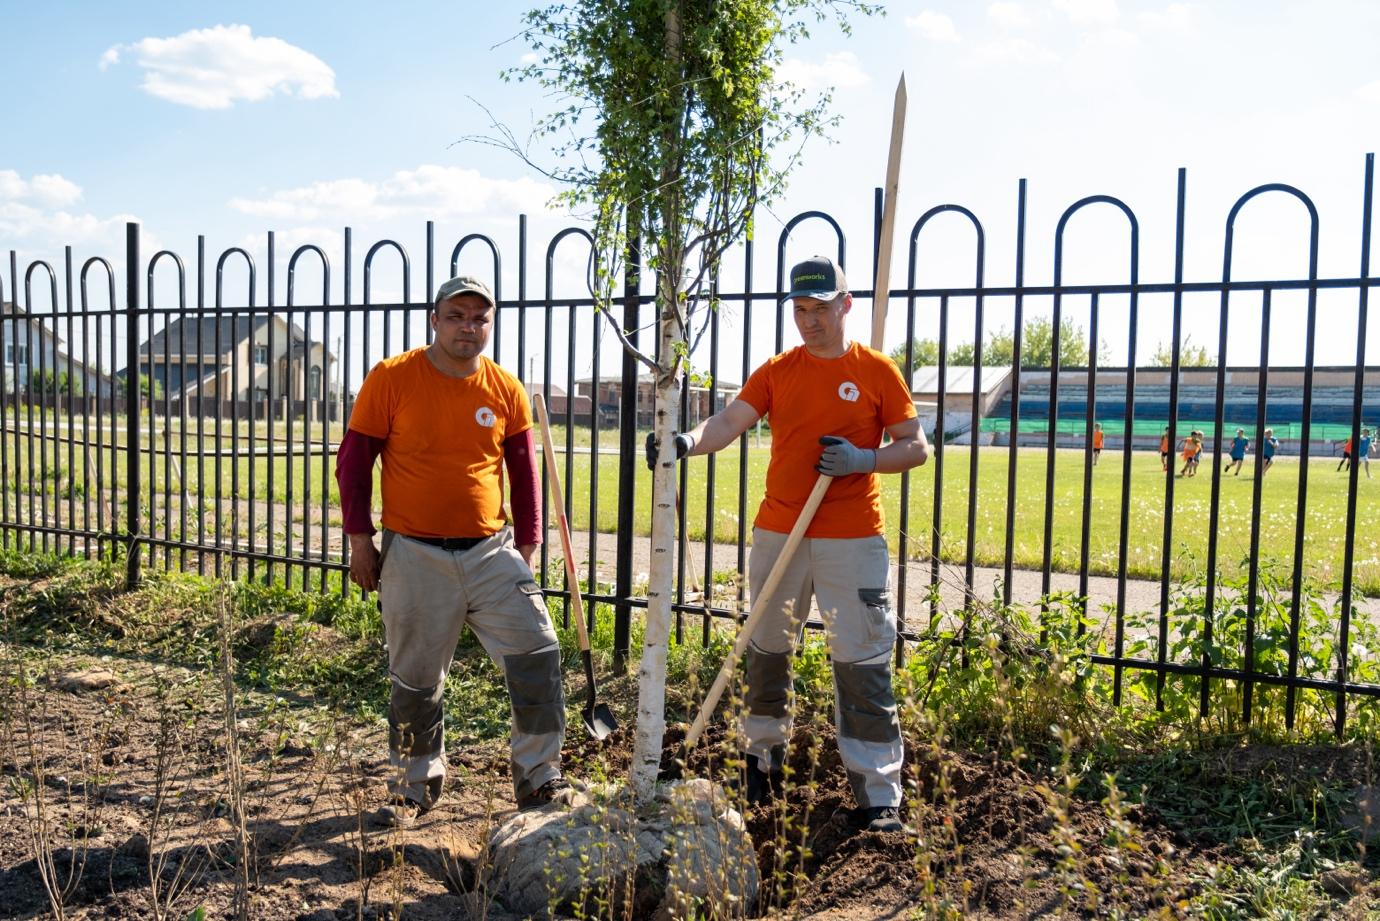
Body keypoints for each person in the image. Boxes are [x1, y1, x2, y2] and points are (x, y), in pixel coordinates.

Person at [647, 255, 930, 835]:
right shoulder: (778, 370)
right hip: (780, 531)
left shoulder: (877, 371)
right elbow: (729, 422)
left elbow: (915, 446)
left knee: (862, 658)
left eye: (821, 309)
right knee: (768, 646)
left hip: (852, 537)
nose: (810, 321)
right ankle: (763, 757)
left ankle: (878, 792)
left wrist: (864, 460)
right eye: (800, 310)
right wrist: (684, 441)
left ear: (845, 305)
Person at [335, 275, 569, 827]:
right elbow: (353, 461)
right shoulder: (392, 378)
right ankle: (413, 788)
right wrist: (360, 541)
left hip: (492, 552)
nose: (469, 326)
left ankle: (539, 777)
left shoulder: (504, 388)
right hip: (415, 555)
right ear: (434, 320)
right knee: (415, 678)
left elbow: (523, 473)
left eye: (479, 318)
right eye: (458, 316)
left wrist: (529, 545)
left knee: (538, 652)